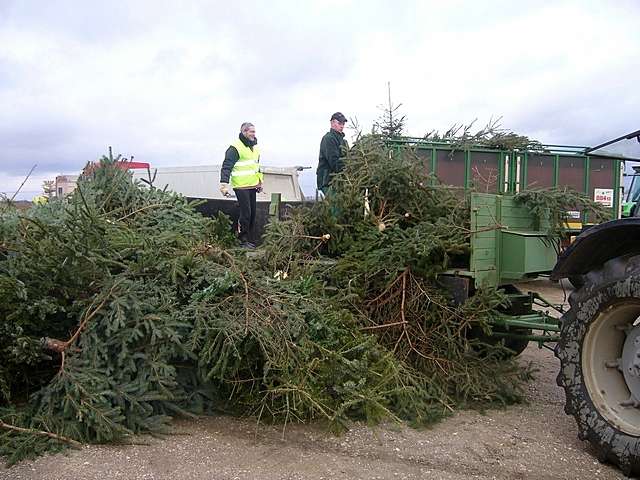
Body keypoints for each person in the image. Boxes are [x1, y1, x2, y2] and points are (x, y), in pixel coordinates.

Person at [219, 122, 263, 248]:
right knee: (246, 213)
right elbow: (227, 166)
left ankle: (247, 239)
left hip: (252, 185)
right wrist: (224, 184)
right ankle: (241, 240)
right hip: (241, 186)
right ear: (244, 132)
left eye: (254, 132)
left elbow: (256, 166)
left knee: (253, 213)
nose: (254, 134)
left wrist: (259, 182)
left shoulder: (255, 148)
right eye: (251, 132)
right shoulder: (235, 148)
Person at [317, 112, 349, 195]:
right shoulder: (329, 139)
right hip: (328, 181)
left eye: (343, 124)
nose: (342, 126)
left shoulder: (344, 141)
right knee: (336, 206)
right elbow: (334, 162)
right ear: (332, 123)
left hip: (339, 181)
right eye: (339, 123)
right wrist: (348, 169)